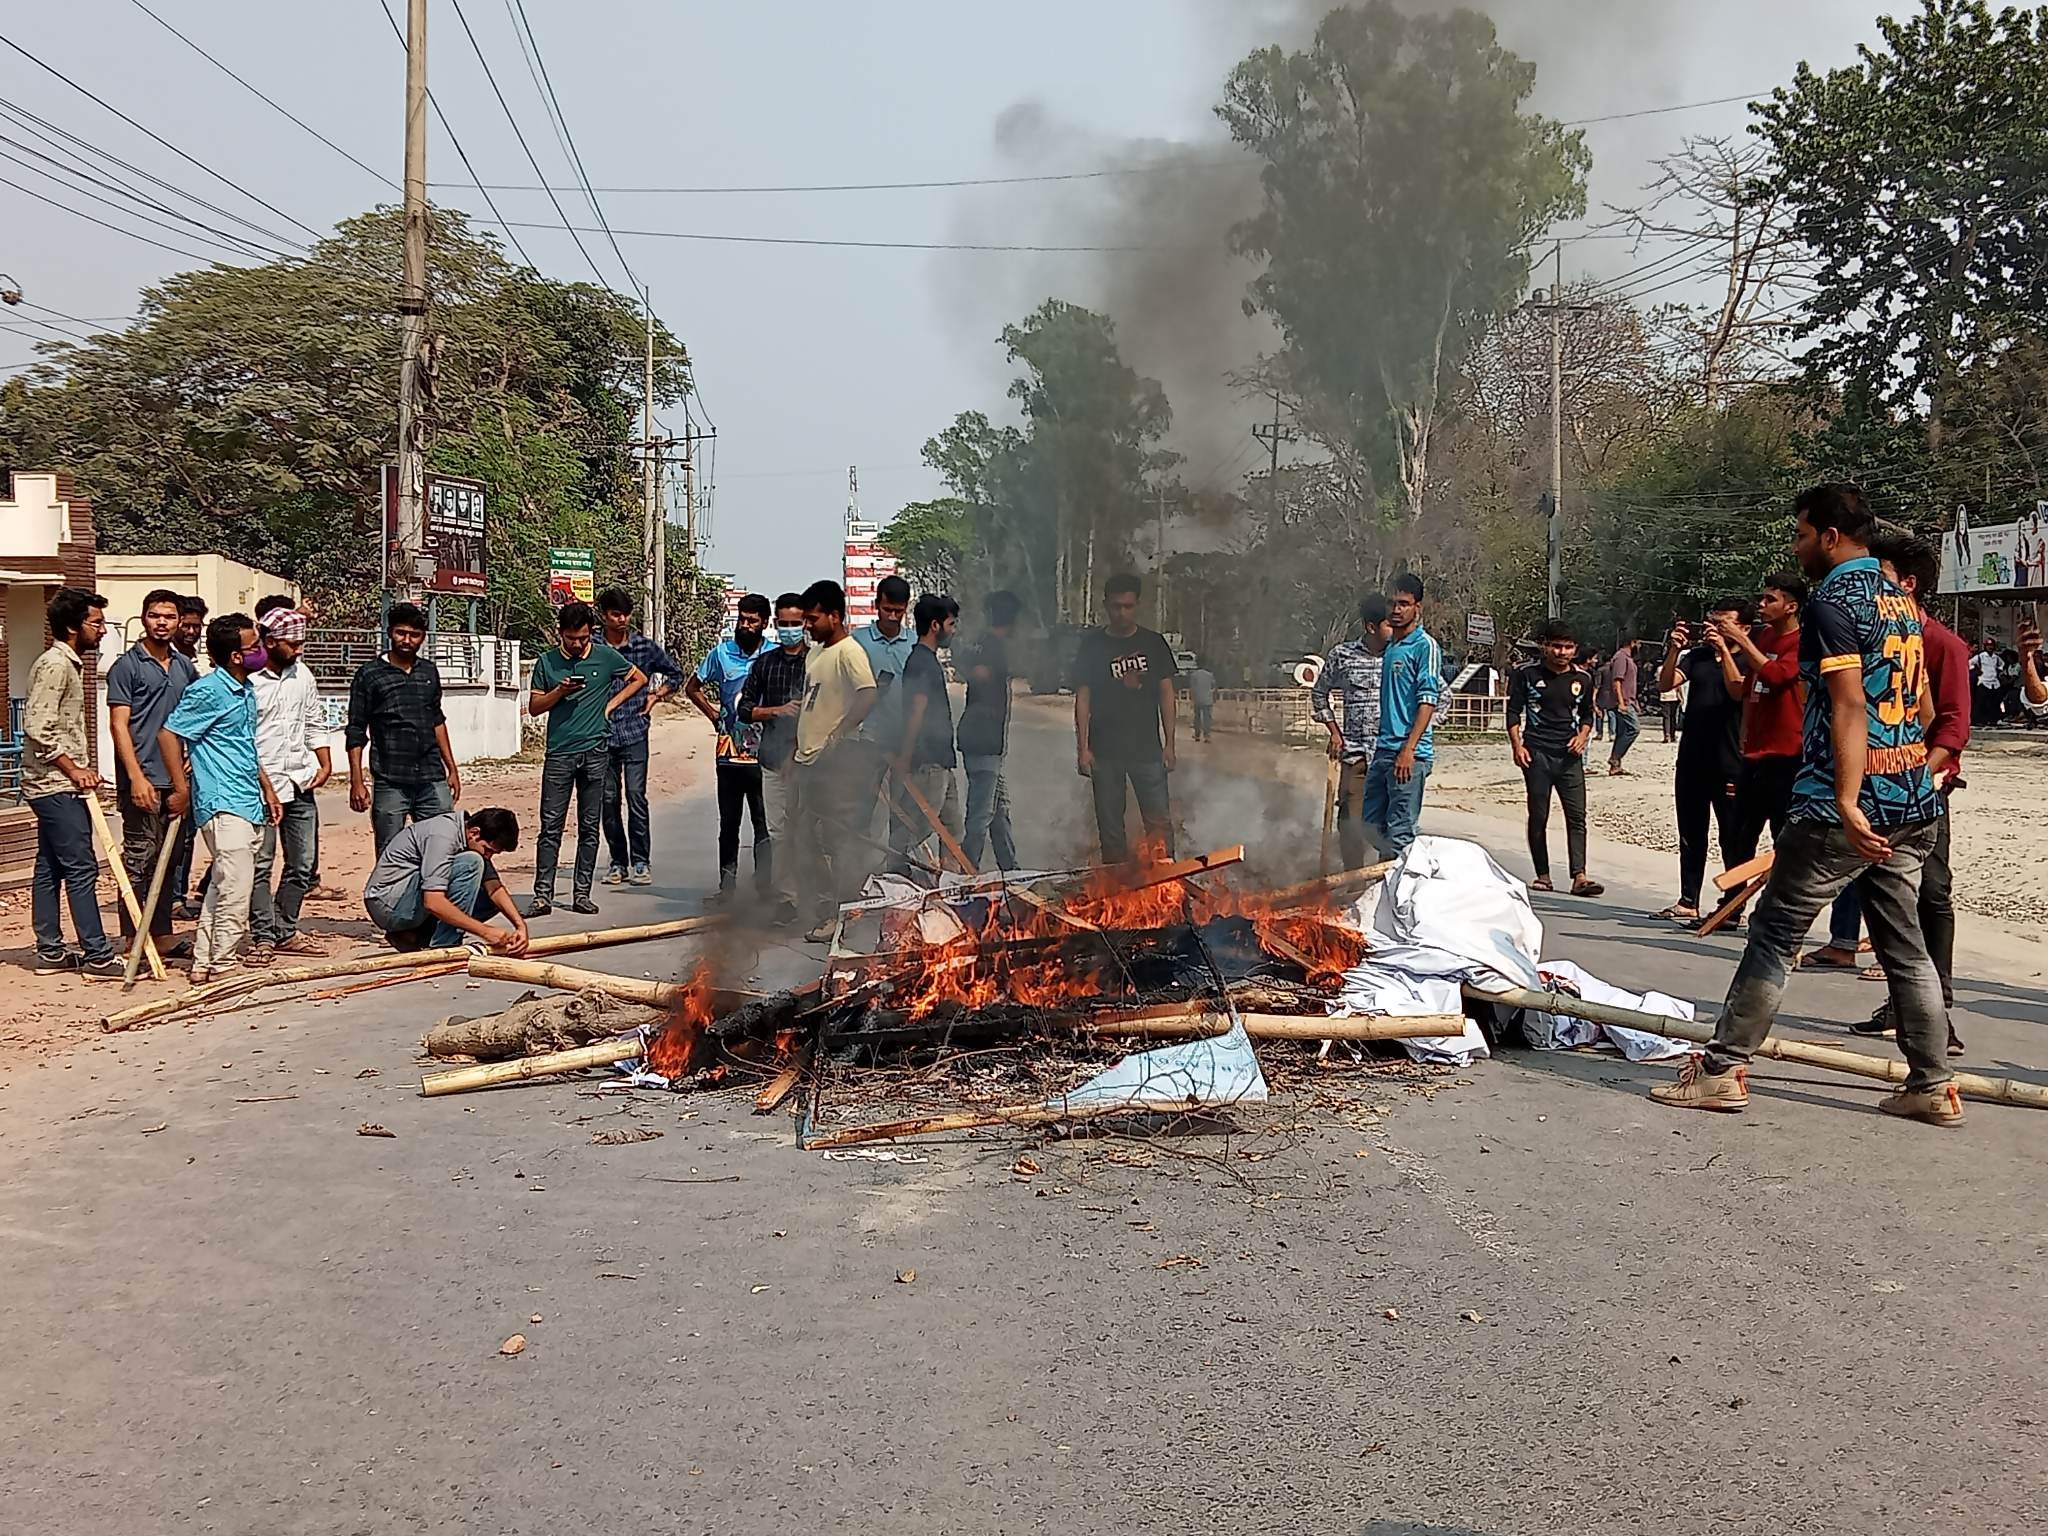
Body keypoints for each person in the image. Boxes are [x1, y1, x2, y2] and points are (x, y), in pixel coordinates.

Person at [1651, 483, 1958, 1126]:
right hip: (1911, 801)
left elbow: (1847, 703)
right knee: (1906, 946)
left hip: (1841, 806)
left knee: (1773, 936)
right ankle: (1932, 1084)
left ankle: (1722, 1069)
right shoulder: (1903, 604)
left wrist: (1846, 799)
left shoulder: (1835, 602)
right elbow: (1922, 705)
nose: (1796, 548)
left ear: (1828, 535)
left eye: (1799, 535)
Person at [1842, 528, 1969, 1057]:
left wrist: (1919, 774)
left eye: (1882, 576)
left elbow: (1954, 727)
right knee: (1884, 896)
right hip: (1872, 786)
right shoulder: (1874, 639)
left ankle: (1939, 1015)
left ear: (1908, 584)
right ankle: (1902, 1005)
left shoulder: (1943, 645)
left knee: (1932, 894)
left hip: (1922, 791)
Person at [161, 614, 282, 984]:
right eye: (254, 647)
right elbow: (170, 734)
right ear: (234, 656)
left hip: (248, 797)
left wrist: (267, 787)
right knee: (237, 886)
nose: (261, 651)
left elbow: (244, 745)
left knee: (222, 884)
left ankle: (204, 961)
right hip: (221, 800)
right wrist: (181, 788)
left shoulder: (244, 690)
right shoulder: (208, 691)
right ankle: (225, 964)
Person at [22, 588, 123, 978]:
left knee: (50, 866)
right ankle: (97, 954)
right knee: (82, 867)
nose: (100, 631)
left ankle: (49, 949)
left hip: (58, 783)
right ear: (71, 626)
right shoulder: (55, 665)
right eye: (95, 624)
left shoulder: (70, 664)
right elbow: (38, 727)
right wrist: (73, 769)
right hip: (53, 785)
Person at [526, 601, 646, 917]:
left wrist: (609, 707)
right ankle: (542, 896)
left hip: (596, 752)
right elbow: (535, 707)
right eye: (570, 639)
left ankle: (582, 893)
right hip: (559, 754)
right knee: (550, 827)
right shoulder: (546, 663)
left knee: (589, 826)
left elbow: (639, 679)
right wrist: (560, 692)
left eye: (582, 638)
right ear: (560, 634)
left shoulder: (606, 656)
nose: (577, 644)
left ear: (590, 632)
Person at [104, 587, 199, 960]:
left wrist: (189, 759)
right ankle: (133, 937)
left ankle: (160, 934)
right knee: (140, 861)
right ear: (144, 618)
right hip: (142, 779)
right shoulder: (126, 666)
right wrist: (136, 777)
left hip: (176, 780)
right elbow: (118, 726)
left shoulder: (183, 667)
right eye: (156, 616)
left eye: (169, 617)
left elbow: (194, 717)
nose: (163, 623)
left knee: (170, 859)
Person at [788, 580, 878, 942]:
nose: (806, 626)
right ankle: (826, 910)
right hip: (808, 762)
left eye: (813, 618)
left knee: (835, 843)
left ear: (835, 616)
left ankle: (841, 916)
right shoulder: (816, 654)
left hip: (834, 766)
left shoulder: (849, 652)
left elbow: (868, 694)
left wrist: (838, 735)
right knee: (807, 842)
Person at [1654, 596, 1754, 923]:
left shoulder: (1751, 661)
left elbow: (1738, 691)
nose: (1715, 629)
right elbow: (1667, 684)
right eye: (1712, 622)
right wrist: (1673, 650)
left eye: (1724, 623)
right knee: (1691, 832)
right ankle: (1688, 899)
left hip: (1730, 760)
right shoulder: (1696, 657)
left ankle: (1733, 904)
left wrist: (1726, 650)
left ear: (1744, 628)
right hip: (1693, 756)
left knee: (1732, 837)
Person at [1074, 573, 1179, 863]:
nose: (1123, 613)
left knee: (1159, 824)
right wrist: (1082, 748)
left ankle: (1167, 888)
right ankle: (1118, 890)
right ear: (1106, 606)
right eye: (1117, 606)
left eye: (1128, 606)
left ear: (1137, 606)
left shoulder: (1154, 643)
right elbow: (1083, 698)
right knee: (1110, 830)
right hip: (1105, 752)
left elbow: (1166, 694)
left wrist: (1170, 744)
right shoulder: (1092, 646)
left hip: (1147, 750)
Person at [246, 608, 331, 962]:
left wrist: (325, 761)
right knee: (260, 865)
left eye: (301, 644)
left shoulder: (303, 676)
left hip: (299, 781)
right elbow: (242, 736)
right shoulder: (249, 679)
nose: (298, 650)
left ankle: (285, 928)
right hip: (258, 786)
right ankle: (263, 934)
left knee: (302, 863)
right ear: (270, 642)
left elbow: (313, 720)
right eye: (292, 644)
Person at [346, 603, 461, 854]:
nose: (406, 640)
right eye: (401, 633)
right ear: (389, 633)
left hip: (431, 776)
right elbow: (356, 729)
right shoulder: (369, 675)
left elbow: (437, 720)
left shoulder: (428, 672)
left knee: (442, 848)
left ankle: (431, 895)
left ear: (423, 638)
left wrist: (451, 768)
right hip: (390, 779)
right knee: (391, 854)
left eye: (414, 635)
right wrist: (356, 779)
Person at [594, 588, 686, 886]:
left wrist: (657, 696)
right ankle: (618, 862)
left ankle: (641, 861)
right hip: (600, 734)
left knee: (636, 797)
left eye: (625, 614)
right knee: (608, 801)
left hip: (634, 731)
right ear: (603, 615)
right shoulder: (592, 645)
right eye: (615, 614)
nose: (622, 620)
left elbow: (676, 673)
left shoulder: (644, 648)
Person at [686, 592, 773, 898]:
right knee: (729, 822)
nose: (746, 625)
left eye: (753, 620)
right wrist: (713, 714)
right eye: (742, 619)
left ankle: (765, 888)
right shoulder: (721, 654)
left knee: (764, 824)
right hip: (728, 754)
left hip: (765, 755)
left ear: (765, 622)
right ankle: (727, 886)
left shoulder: (773, 655)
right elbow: (692, 686)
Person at [1506, 619, 1602, 897]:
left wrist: (1583, 736)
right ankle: (1543, 875)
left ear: (1575, 649)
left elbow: (1587, 714)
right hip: (1536, 753)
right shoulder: (1525, 674)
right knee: (1539, 814)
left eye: (1568, 647)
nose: (1562, 652)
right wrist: (1517, 746)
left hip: (1569, 756)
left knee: (1577, 816)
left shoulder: (1582, 678)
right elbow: (1513, 712)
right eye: (1556, 646)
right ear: (1544, 646)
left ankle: (1580, 876)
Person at [1720, 574, 1808, 874]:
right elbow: (1747, 688)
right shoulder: (1764, 637)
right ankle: (1730, 905)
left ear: (1791, 607)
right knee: (1739, 833)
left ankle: (1780, 908)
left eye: (1771, 599)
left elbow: (1777, 676)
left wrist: (1743, 640)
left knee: (1782, 834)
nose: (1762, 604)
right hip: (1754, 753)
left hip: (1786, 755)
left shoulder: (1802, 642)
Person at [364, 807, 529, 955]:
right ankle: (445, 945)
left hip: (407, 899)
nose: (488, 856)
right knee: (472, 863)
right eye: (487, 850)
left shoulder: (468, 838)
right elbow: (433, 902)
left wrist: (520, 926)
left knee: (493, 899)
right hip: (389, 904)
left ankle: (414, 935)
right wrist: (486, 932)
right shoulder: (442, 836)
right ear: (475, 833)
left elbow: (494, 889)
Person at [738, 593, 812, 921]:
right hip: (771, 761)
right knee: (778, 833)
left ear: (806, 624)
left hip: (810, 764)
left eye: (795, 624)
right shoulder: (765, 664)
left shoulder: (818, 663)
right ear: (776, 625)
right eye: (784, 624)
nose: (790, 629)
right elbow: (744, 708)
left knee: (811, 832)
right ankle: (787, 899)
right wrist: (775, 711)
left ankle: (819, 897)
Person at [1361, 573, 1443, 858]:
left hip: (1409, 753)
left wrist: (1408, 749)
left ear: (1417, 607)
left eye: (1404, 604)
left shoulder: (1425, 647)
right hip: (1383, 749)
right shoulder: (1391, 647)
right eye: (1392, 603)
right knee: (1369, 825)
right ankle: (1391, 874)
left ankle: (1398, 894)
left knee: (1400, 832)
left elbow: (1428, 700)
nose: (1396, 610)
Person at [1311, 595, 1394, 871]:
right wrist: (1334, 732)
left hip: (1392, 755)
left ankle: (1386, 878)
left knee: (1390, 823)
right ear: (1371, 627)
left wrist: (1416, 737)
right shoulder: (1342, 655)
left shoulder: (1403, 655)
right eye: (1388, 624)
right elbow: (1319, 693)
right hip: (1355, 754)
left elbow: (1439, 697)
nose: (1394, 629)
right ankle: (1353, 880)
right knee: (1350, 821)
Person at [895, 593, 965, 868]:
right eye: (951, 623)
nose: (954, 630)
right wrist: (905, 757)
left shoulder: (929, 660)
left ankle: (949, 891)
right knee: (916, 832)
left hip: (942, 762)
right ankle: (896, 884)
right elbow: (917, 712)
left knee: (952, 832)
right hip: (927, 764)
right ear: (935, 626)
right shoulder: (921, 662)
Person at [955, 589, 1021, 872]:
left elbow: (969, 669)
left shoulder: (983, 643)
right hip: (984, 742)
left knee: (999, 810)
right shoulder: (993, 646)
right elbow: (978, 675)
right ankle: (968, 875)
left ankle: (1012, 871)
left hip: (985, 742)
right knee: (981, 815)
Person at [854, 575, 918, 865]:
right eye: (887, 610)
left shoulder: (914, 644)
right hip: (867, 738)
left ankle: (896, 870)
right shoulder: (858, 642)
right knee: (862, 807)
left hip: (904, 740)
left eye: (898, 611)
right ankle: (857, 869)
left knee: (903, 810)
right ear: (875, 605)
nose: (892, 617)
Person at [166, 593, 211, 916]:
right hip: (162, 763)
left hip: (189, 763)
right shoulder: (163, 662)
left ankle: (178, 895)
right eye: (188, 625)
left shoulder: (189, 666)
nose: (193, 632)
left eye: (198, 626)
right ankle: (167, 899)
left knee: (187, 835)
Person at [1601, 639, 1642, 775]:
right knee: (1634, 729)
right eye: (1639, 643)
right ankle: (1615, 758)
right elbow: (1617, 681)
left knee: (1622, 732)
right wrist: (1621, 702)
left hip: (1628, 700)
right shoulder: (1620, 657)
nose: (1640, 646)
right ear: (1632, 642)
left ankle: (1616, 765)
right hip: (1622, 701)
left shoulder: (1628, 658)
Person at [1970, 636, 2003, 728]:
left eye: (1991, 645)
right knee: (1980, 702)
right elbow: (1969, 663)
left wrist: (1999, 671)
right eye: (1988, 645)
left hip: (1994, 682)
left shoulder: (1996, 657)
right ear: (1985, 646)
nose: (1990, 647)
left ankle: (1992, 720)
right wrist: (1976, 670)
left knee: (1993, 703)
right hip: (1983, 681)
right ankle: (1978, 720)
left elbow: (2002, 665)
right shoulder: (1980, 656)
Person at [1187, 659, 1217, 743]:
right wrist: (1214, 698)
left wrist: (1192, 699)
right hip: (1207, 699)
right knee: (1207, 718)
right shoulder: (1210, 675)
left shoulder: (1194, 675)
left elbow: (1192, 688)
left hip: (1198, 699)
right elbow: (1214, 687)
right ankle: (1207, 736)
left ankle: (1197, 735)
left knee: (1197, 717)